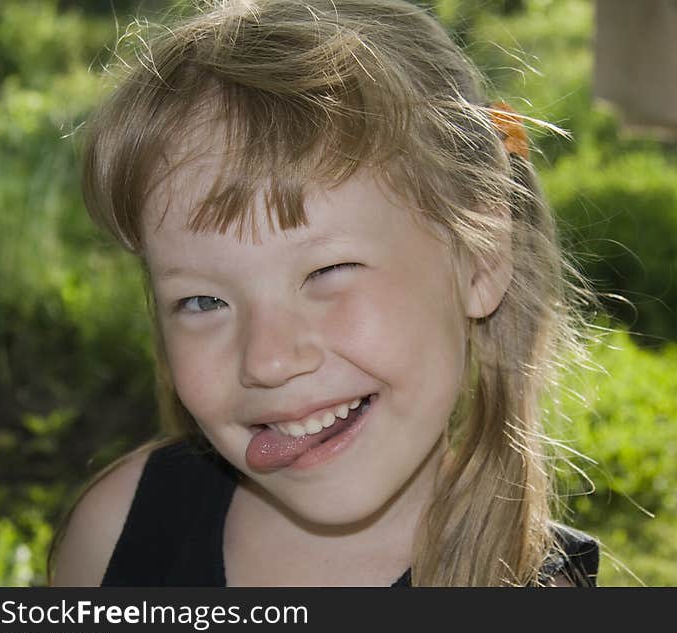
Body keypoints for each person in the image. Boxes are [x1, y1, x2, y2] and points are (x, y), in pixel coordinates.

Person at [47, 0, 599, 587]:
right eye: (203, 302)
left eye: (327, 271)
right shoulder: (115, 534)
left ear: (481, 260)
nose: (268, 360)